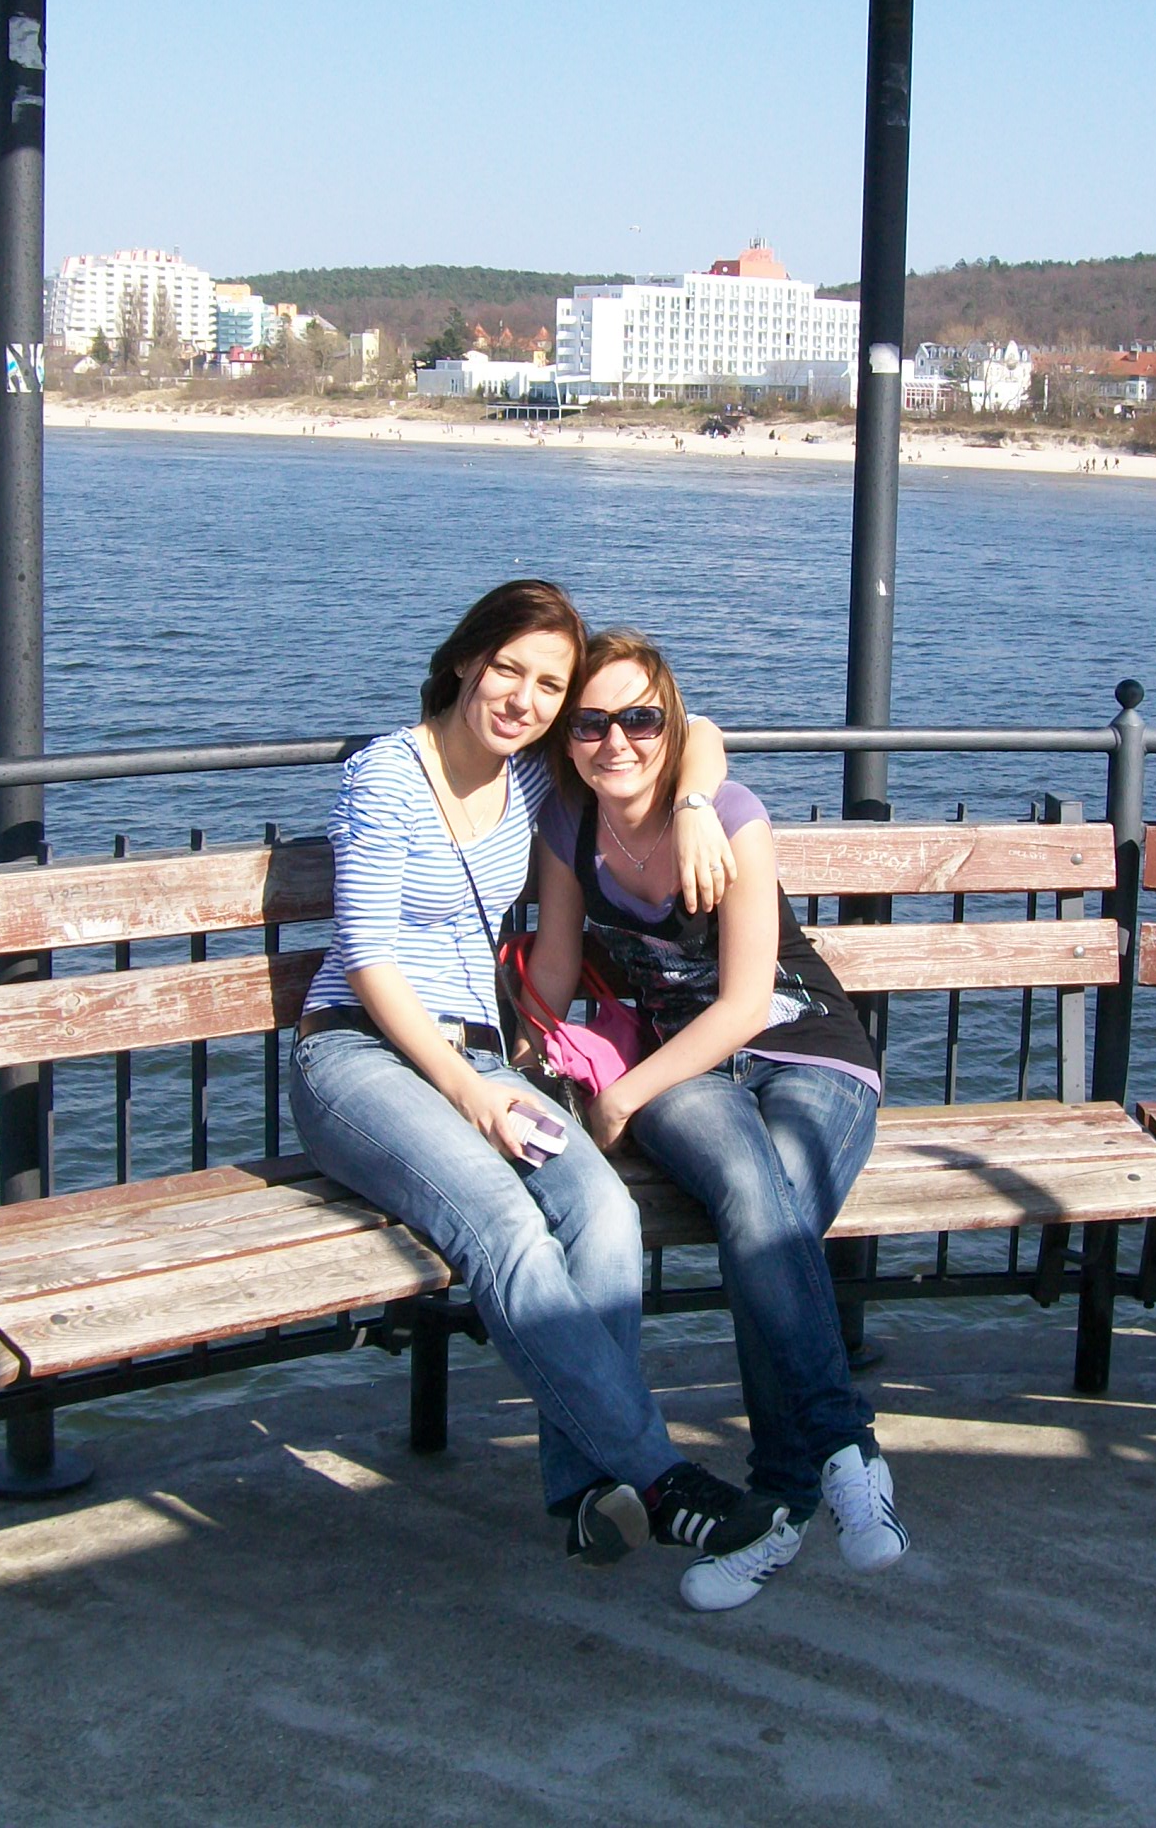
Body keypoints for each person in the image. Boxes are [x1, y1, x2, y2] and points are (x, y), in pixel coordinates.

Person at [287, 580, 781, 1571]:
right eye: (508, 669)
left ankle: (589, 1488)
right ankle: (657, 1476)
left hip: (478, 1057)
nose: (524, 699)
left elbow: (694, 730)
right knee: (505, 1226)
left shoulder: (531, 782)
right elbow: (369, 958)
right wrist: (471, 1091)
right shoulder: (387, 775)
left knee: (603, 1211)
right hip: (360, 1054)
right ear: (465, 660)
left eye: (550, 686)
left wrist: (693, 806)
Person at [528, 630, 909, 1613]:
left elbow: (745, 1005)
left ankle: (779, 1501)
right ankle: (842, 1451)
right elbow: (557, 966)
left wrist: (620, 1098)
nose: (617, 741)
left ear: (670, 724)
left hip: (807, 1050)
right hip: (681, 1065)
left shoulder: (728, 814)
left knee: (768, 1209)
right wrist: (516, 1059)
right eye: (592, 723)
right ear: (568, 737)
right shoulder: (569, 826)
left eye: (640, 719)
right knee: (758, 1197)